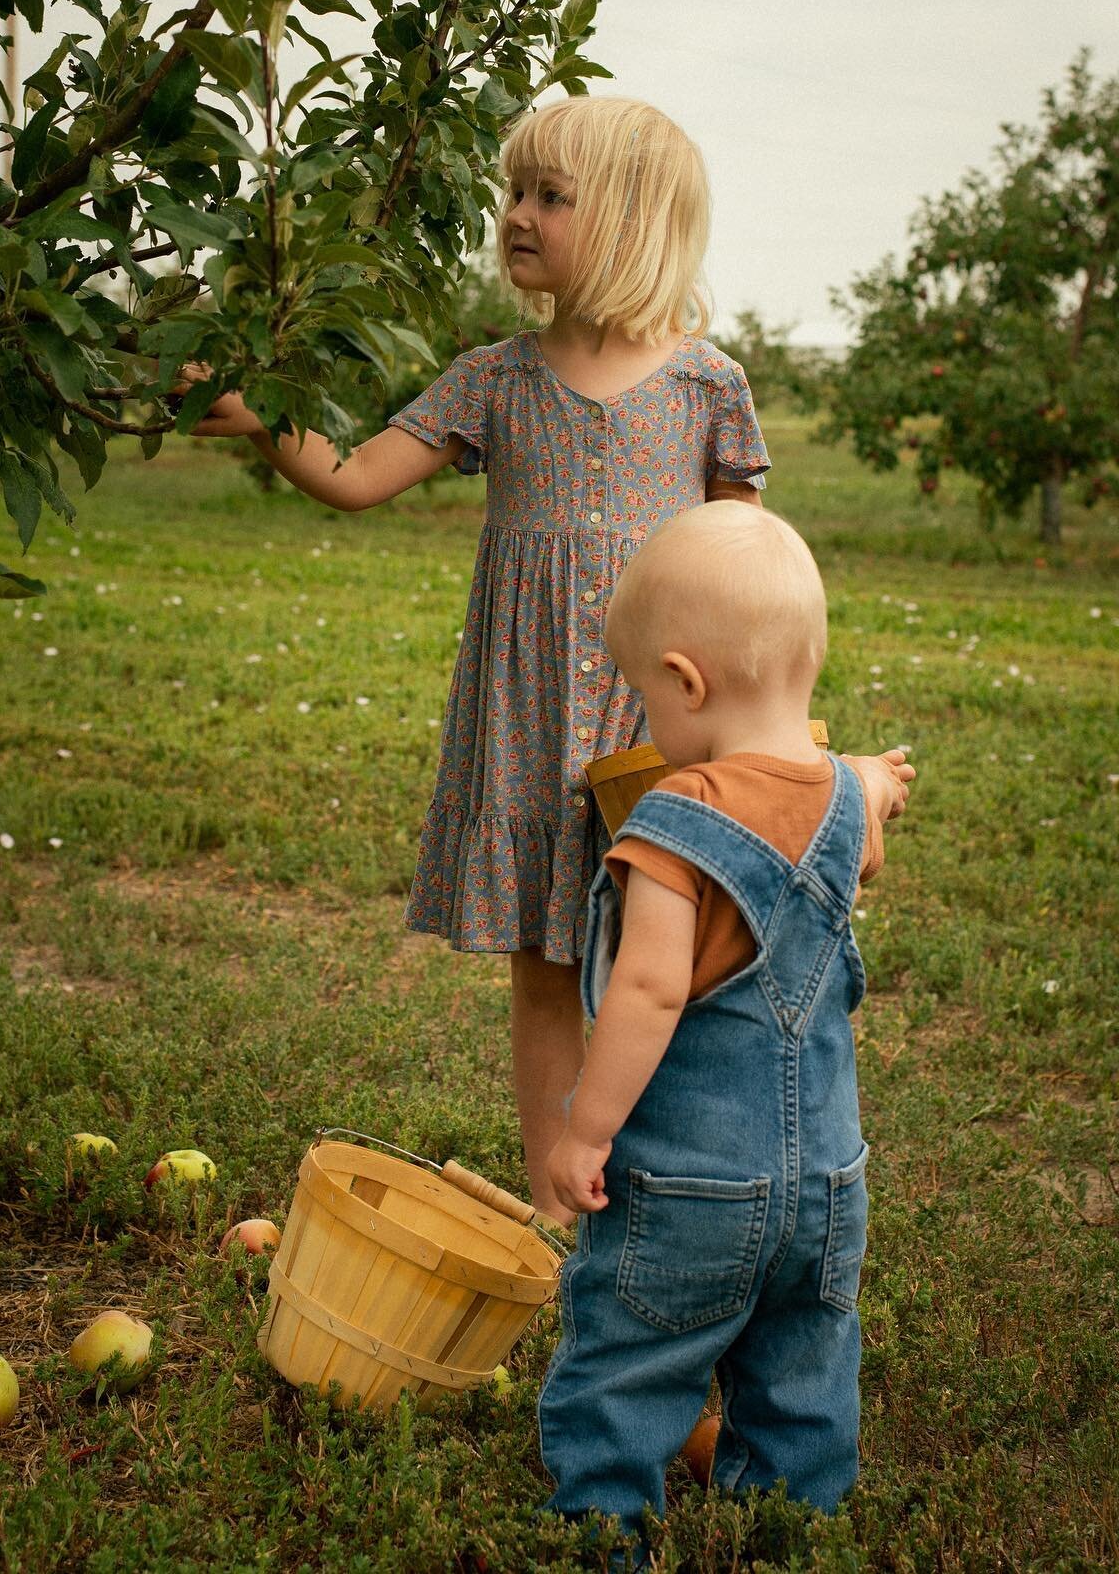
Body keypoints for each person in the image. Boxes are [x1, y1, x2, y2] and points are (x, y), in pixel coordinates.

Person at [176, 92, 902, 1226]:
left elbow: (752, 582)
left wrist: (770, 745)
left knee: (675, 949)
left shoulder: (709, 387)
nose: (514, 214)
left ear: (628, 219)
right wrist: (263, 415)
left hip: (663, 719)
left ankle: (677, 1178)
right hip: (525, 717)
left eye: (548, 196)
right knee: (547, 970)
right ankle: (561, 1211)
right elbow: (357, 476)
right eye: (513, 191)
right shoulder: (494, 380)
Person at [536, 501, 914, 1558]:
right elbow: (861, 822)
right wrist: (876, 782)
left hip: (694, 1188)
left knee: (627, 1365)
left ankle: (601, 1536)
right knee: (802, 1367)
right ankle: (789, 1532)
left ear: (688, 683)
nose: (647, 721)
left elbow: (652, 993)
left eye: (647, 696)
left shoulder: (673, 824)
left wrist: (583, 1132)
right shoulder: (844, 799)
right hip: (830, 1187)